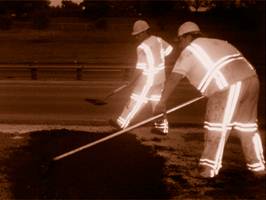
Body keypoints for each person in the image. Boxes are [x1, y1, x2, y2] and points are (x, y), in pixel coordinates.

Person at [155, 21, 265, 178]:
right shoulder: (219, 42)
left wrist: (162, 102)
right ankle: (258, 167)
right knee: (247, 127)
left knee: (216, 126)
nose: (179, 45)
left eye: (179, 40)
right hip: (252, 80)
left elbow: (174, 78)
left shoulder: (190, 50)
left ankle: (208, 169)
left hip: (228, 84)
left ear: (187, 37)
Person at [109, 19, 173, 134]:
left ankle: (121, 123)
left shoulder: (142, 47)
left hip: (148, 80)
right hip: (160, 79)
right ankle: (162, 128)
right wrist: (159, 56)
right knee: (157, 103)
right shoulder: (158, 40)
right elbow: (169, 50)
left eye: (137, 35)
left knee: (136, 100)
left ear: (144, 32)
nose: (136, 37)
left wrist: (131, 82)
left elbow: (140, 68)